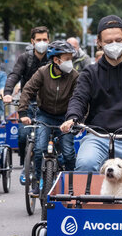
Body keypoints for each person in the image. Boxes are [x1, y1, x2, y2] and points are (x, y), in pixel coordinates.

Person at [60, 15, 122, 174]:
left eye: (118, 40)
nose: (114, 45)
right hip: (97, 137)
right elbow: (79, 98)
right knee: (85, 164)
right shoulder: (90, 73)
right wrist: (73, 117)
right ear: (99, 42)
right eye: (108, 42)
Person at [19, 41, 79, 194]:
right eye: (66, 58)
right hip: (44, 115)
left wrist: (77, 120)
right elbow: (27, 90)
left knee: (68, 153)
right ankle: (38, 180)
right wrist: (23, 113)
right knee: (39, 149)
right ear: (56, 60)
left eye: (71, 58)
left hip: (65, 118)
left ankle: (73, 185)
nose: (69, 62)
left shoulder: (74, 76)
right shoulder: (42, 72)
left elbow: (80, 98)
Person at [2, 26, 50, 184]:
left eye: (45, 40)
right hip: (27, 103)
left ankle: (51, 167)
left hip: (48, 104)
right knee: (23, 136)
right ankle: (26, 165)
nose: (42, 43)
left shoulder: (53, 58)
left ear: (49, 41)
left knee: (50, 138)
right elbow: (15, 74)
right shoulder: (25, 58)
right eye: (39, 40)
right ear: (32, 41)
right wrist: (8, 92)